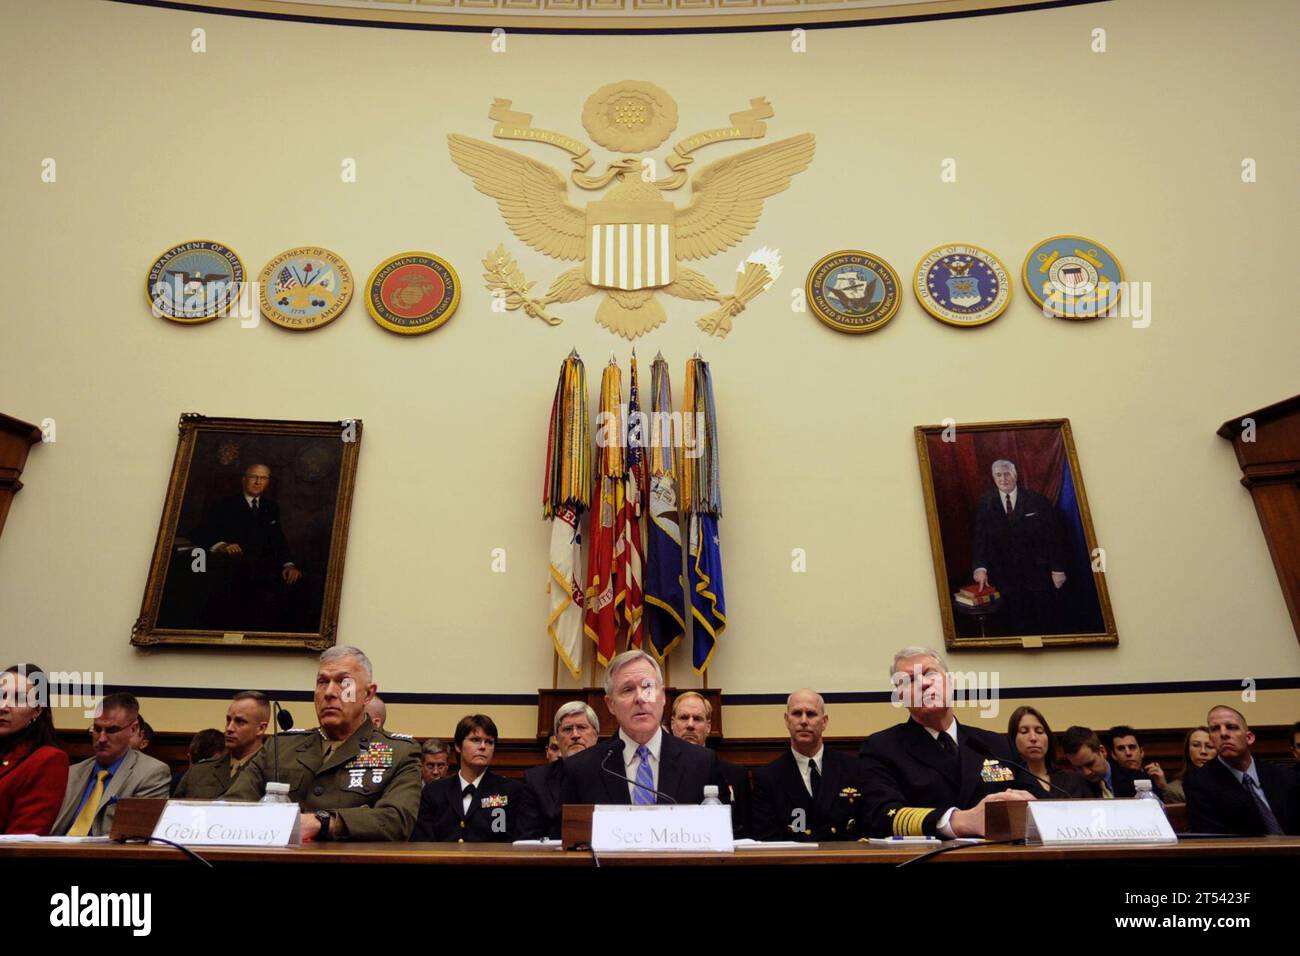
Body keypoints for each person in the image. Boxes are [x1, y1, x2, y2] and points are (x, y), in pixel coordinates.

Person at [224, 646, 420, 841]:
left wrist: (325, 822)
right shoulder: (280, 746)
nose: (329, 692)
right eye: (322, 682)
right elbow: (232, 806)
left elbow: (396, 820)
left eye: (344, 683)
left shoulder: (399, 751)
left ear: (368, 695)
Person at [859, 646, 1035, 838]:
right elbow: (882, 815)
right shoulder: (882, 747)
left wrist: (1027, 802)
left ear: (950, 682)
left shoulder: (996, 744)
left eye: (930, 673)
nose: (924, 683)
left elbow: (1040, 801)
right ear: (900, 696)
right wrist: (957, 821)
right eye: (910, 680)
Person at [560, 650, 729, 807]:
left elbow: (726, 833)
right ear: (610, 704)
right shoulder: (581, 768)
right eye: (627, 689)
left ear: (662, 696)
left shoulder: (702, 763)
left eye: (648, 687)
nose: (640, 698)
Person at [188, 463, 306, 631]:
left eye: (263, 478)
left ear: (268, 482)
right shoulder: (224, 504)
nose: (258, 482)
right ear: (244, 480)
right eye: (254, 477)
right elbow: (198, 533)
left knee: (299, 587)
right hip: (233, 571)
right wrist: (222, 545)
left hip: (265, 571)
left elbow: (278, 540)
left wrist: (289, 564)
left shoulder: (271, 507)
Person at [52, 692, 171, 837]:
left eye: (111, 730)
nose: (101, 738)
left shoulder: (151, 773)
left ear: (133, 729)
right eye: (96, 729)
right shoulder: (72, 773)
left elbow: (134, 837)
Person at [751, 689, 864, 841]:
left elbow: (868, 827)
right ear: (786, 720)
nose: (804, 721)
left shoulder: (853, 769)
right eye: (797, 713)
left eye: (811, 714)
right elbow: (767, 840)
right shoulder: (768, 778)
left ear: (824, 722)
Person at [971, 459, 1067, 636]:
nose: (1003, 478)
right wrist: (980, 567)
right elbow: (980, 538)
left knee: (1045, 621)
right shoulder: (986, 503)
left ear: (1015, 475)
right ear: (993, 478)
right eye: (998, 475)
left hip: (1037, 574)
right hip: (1004, 576)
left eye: (1007, 473)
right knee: (1015, 622)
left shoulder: (1036, 500)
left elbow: (1053, 538)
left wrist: (1057, 569)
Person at [412, 715, 531, 842]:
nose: (483, 747)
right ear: (458, 746)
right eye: (475, 740)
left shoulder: (511, 791)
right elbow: (423, 842)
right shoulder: (434, 792)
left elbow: (516, 840)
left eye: (489, 742)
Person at [1184, 705, 1295, 835]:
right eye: (1215, 729)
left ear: (1249, 738)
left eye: (1231, 727)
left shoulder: (1282, 776)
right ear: (1212, 741)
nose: (1223, 734)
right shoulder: (1199, 783)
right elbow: (1212, 840)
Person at [0, 663, 70, 835]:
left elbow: (23, 840)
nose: (3, 707)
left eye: (18, 699)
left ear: (37, 711)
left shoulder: (48, 760)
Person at [670, 691, 751, 838]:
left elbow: (745, 833)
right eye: (683, 717)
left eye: (697, 719)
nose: (690, 725)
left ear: (708, 727)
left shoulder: (735, 776)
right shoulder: (659, 771)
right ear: (672, 724)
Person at [522, 701, 599, 840]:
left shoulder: (614, 773)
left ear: (596, 734)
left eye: (582, 727)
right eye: (567, 729)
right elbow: (528, 838)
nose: (575, 735)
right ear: (557, 738)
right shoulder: (537, 780)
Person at [174, 691, 270, 799]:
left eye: (240, 722)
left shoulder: (273, 773)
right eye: (228, 720)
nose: (229, 728)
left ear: (261, 729)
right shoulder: (199, 772)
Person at [1006, 705, 1089, 798]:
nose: (1033, 738)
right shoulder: (1008, 783)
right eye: (1024, 732)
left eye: (1039, 731)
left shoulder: (1072, 779)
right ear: (1013, 740)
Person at [1060, 726, 1151, 798]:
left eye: (1090, 764)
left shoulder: (1136, 778)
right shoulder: (1070, 789)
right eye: (1078, 768)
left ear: (1102, 751)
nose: (1086, 772)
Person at [1147, 726, 1214, 803]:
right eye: (1196, 745)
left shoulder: (1227, 783)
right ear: (1188, 752)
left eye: (1209, 746)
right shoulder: (1175, 790)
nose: (1203, 751)